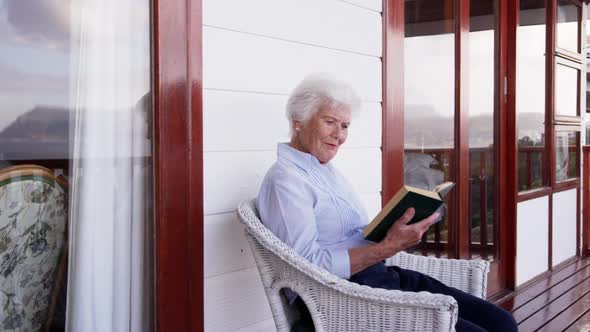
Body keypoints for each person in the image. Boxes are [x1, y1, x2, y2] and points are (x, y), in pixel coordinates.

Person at [256, 73, 518, 332]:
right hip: (343, 300)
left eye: (345, 126)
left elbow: (348, 235)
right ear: (298, 121)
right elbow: (306, 269)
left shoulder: (324, 169)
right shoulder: (286, 181)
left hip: (379, 277)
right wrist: (388, 247)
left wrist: (393, 228)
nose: (338, 135)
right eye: (330, 122)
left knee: (503, 323)